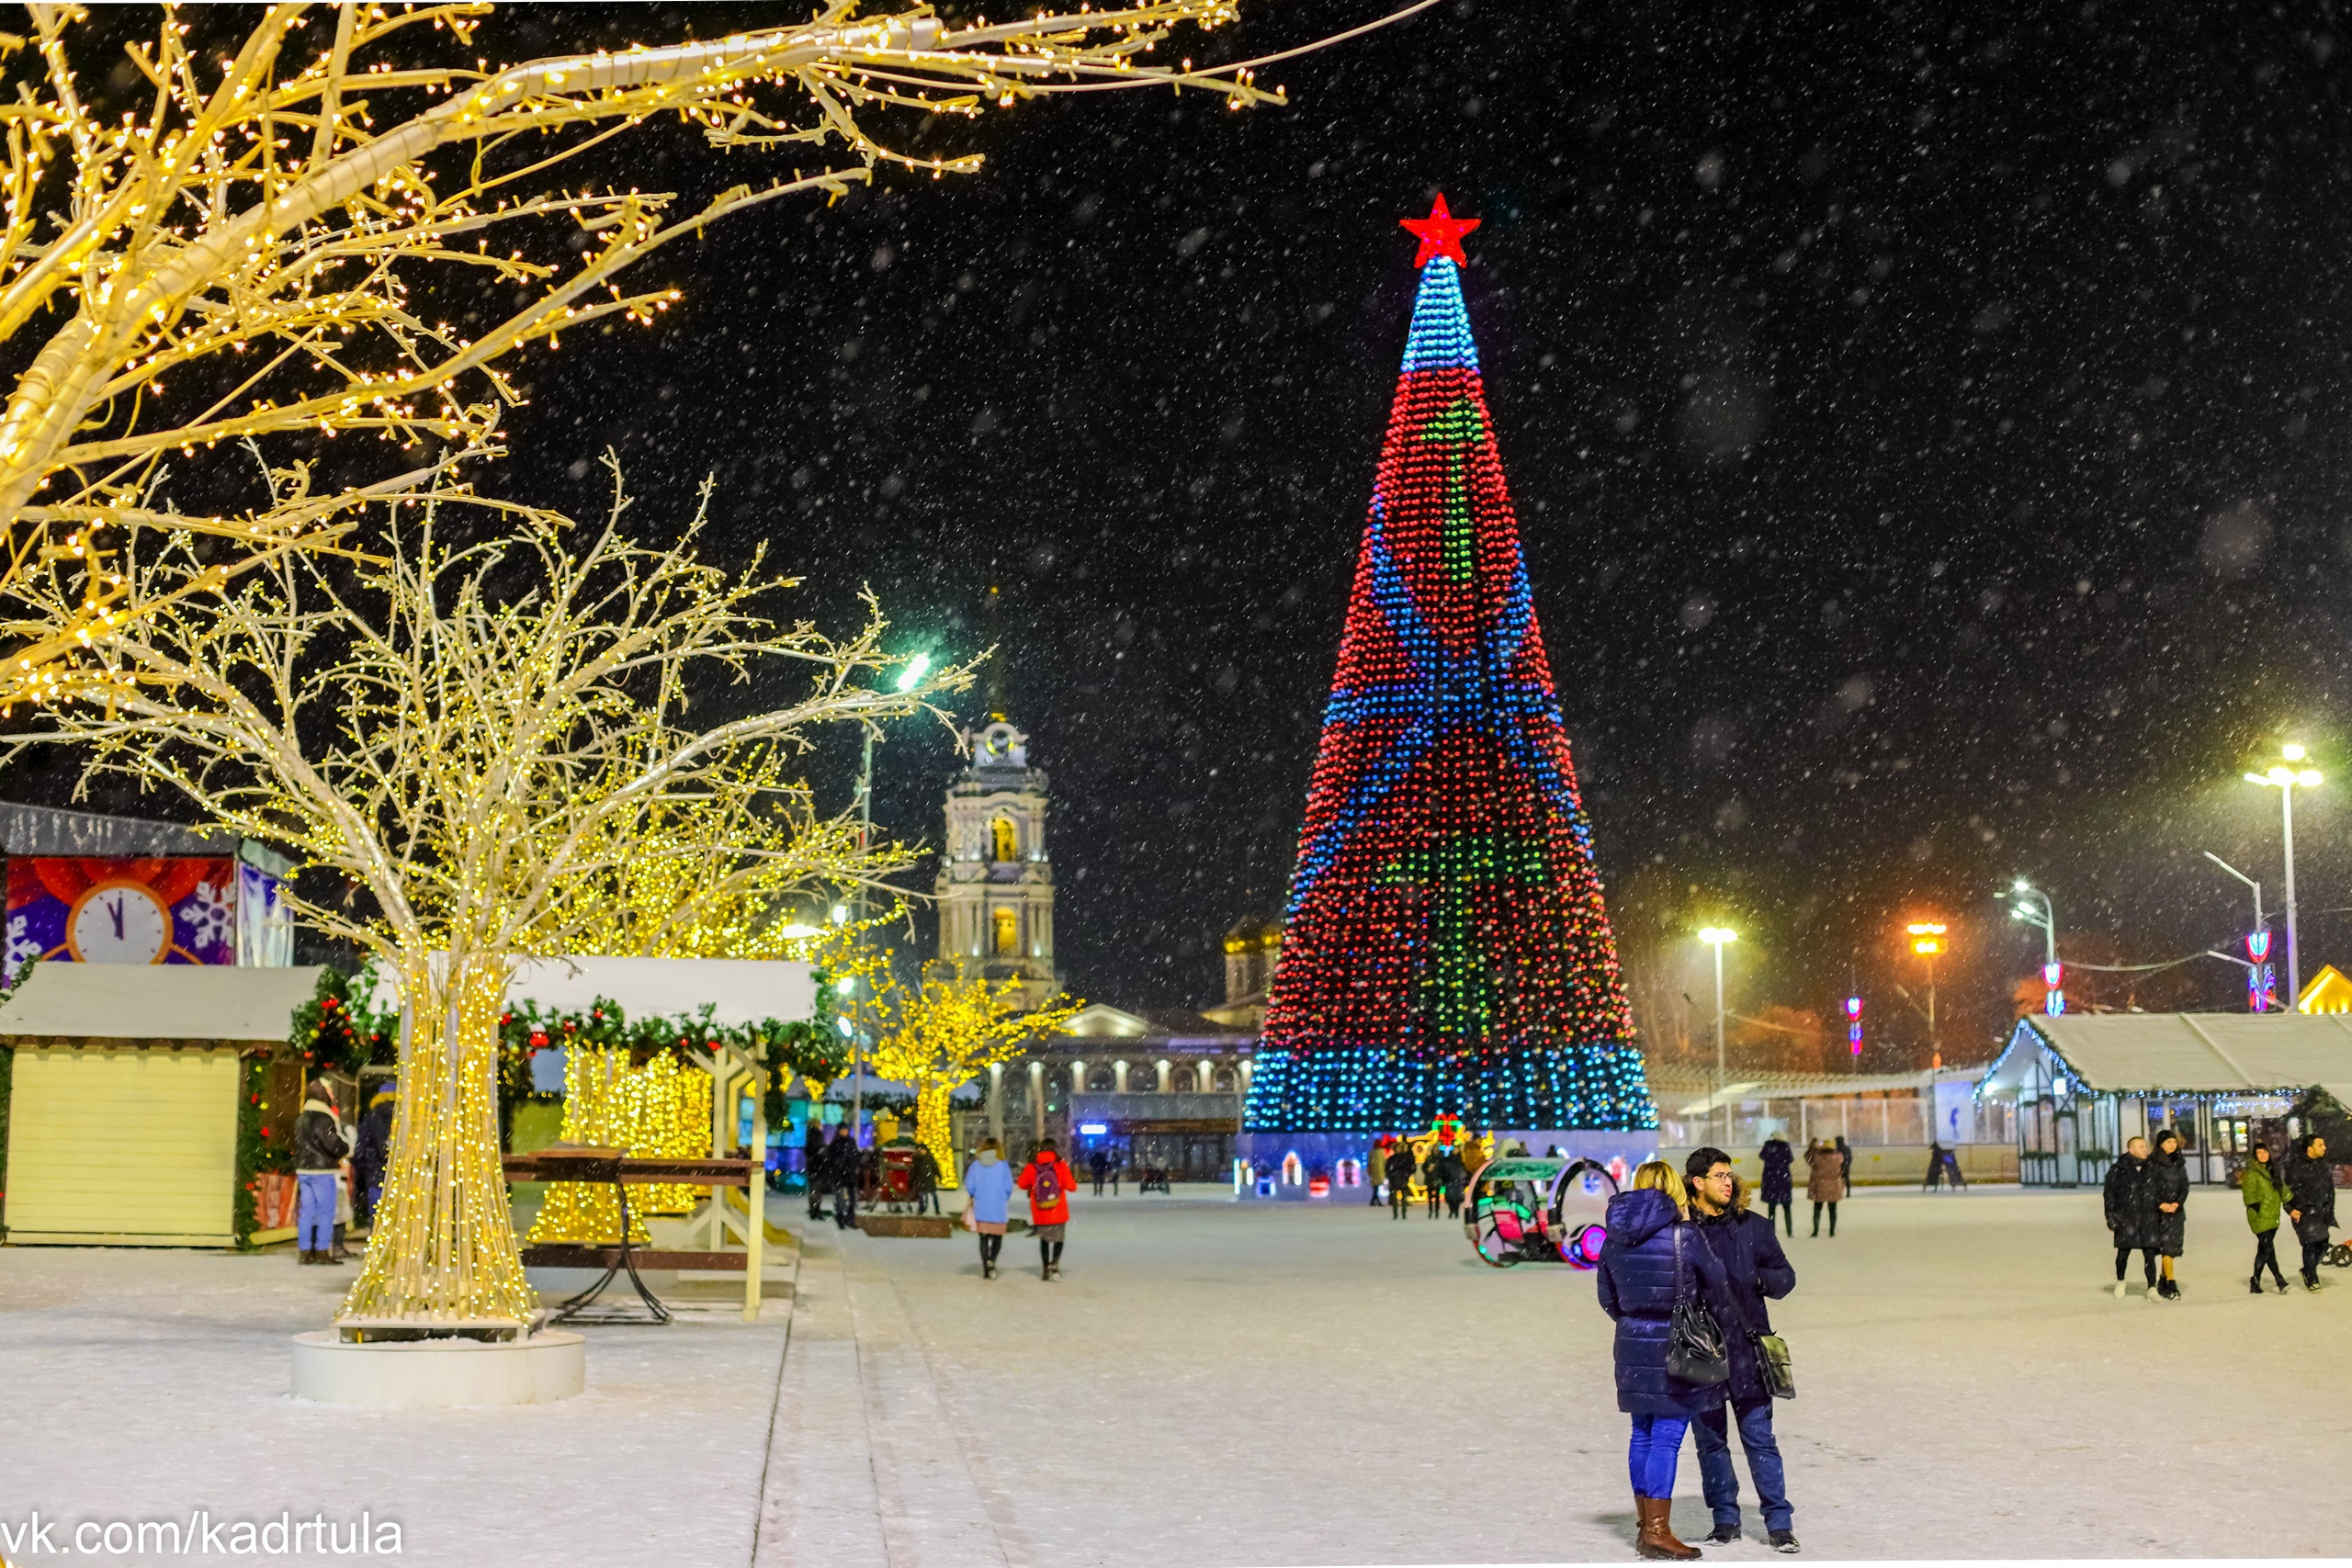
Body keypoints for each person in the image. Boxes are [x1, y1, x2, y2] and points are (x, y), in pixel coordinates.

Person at [1596, 1159, 1724, 1561]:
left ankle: (1645, 1523)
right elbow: (1717, 1281)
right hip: (1676, 1343)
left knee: (1642, 1434)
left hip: (1632, 1342)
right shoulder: (1684, 1236)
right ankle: (1656, 1530)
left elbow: (1608, 1297)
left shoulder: (1613, 1238)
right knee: (1667, 1438)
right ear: (1675, 1191)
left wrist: (1636, 1321)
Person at [1684, 1147, 1800, 1554]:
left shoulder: (1755, 1227)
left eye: (1729, 1174)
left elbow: (1786, 1278)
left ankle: (1779, 1523)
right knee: (1710, 1444)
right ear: (1697, 1183)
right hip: (1702, 1355)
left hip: (1748, 1353)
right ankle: (1725, 1521)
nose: (1727, 1181)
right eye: (1718, 1175)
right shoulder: (1682, 1233)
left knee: (1760, 1441)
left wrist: (1757, 1278)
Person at [293, 1079, 348, 1267]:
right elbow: (331, 1143)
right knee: (325, 1212)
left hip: (304, 1170)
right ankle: (323, 1250)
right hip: (321, 1171)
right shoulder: (323, 1118)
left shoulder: (301, 1118)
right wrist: (345, 1147)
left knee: (306, 1212)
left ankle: (305, 1251)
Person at [2102, 1134, 2158, 1298]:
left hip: (2148, 1217)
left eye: (2145, 1146)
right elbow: (2109, 1194)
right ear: (2131, 1149)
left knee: (2149, 1254)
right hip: (2126, 1217)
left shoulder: (2151, 1167)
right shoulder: (2118, 1169)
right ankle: (2120, 1281)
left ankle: (2152, 1287)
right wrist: (2111, 1216)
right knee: (2123, 1252)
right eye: (2141, 1147)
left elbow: (2158, 1190)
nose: (2145, 1149)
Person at [1018, 1137, 1079, 1280]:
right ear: (1055, 1149)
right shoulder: (1060, 1165)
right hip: (1058, 1209)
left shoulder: (1032, 1166)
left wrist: (1033, 1187)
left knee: (1044, 1240)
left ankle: (1045, 1268)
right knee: (1059, 1239)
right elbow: (1072, 1187)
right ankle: (1055, 1263)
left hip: (1040, 1210)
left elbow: (1021, 1183)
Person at [2287, 1133, 2336, 1291]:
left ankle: (2308, 1270)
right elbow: (2290, 1191)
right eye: (2320, 1145)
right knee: (2310, 1245)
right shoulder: (2297, 1166)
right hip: (2305, 1213)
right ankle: (2312, 1279)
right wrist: (2293, 1208)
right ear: (2310, 1148)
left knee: (2323, 1245)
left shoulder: (2324, 1165)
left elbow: (2330, 1189)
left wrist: (2329, 1208)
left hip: (2323, 1212)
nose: (2325, 1148)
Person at [2241, 1141, 2290, 1294]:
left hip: (2273, 1215)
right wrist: (2259, 1210)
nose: (2263, 1155)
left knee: (2263, 1250)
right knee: (2268, 1248)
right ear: (2254, 1156)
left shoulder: (2272, 1171)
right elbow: (2249, 1197)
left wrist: (2293, 1204)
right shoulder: (2251, 1173)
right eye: (2259, 1153)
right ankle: (2279, 1279)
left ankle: (2255, 1280)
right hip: (2259, 1216)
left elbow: (2284, 1190)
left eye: (2265, 1152)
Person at [962, 1136, 1015, 1278]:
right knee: (997, 1237)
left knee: (984, 1238)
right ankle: (992, 1261)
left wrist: (976, 1194)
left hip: (982, 1206)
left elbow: (970, 1185)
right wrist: (1003, 1197)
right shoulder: (1003, 1165)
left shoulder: (976, 1165)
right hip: (998, 1207)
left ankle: (986, 1266)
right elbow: (1008, 1186)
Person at [2147, 1126, 2189, 1300]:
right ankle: (2170, 1282)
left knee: (2171, 1249)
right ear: (2161, 1144)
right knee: (2166, 1247)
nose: (2172, 1145)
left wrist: (2177, 1203)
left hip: (2176, 1211)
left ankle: (2164, 1279)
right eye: (2168, 1142)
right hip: (2160, 1213)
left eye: (2174, 1142)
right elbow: (2149, 1188)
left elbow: (2184, 1185)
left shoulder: (2179, 1162)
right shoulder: (2153, 1163)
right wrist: (2161, 1204)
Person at [351, 1079, 395, 1231]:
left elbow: (360, 1149)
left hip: (375, 1175)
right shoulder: (403, 1117)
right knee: (394, 1214)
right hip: (397, 1175)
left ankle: (376, 1243)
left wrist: (363, 1171)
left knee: (376, 1213)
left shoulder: (371, 1117)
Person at [1804, 1139, 1842, 1237]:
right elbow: (1843, 1161)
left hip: (1819, 1187)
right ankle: (1832, 1231)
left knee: (1817, 1210)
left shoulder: (1816, 1157)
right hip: (1833, 1188)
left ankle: (1816, 1230)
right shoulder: (1838, 1157)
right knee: (1832, 1210)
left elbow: (1807, 1158)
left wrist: (1812, 1148)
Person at [1758, 1135, 1794, 1239]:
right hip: (1783, 1180)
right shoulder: (1785, 1147)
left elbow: (1761, 1156)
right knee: (1786, 1207)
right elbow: (1790, 1159)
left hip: (1770, 1180)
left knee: (1771, 1208)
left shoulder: (1768, 1147)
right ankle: (1789, 1231)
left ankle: (1771, 1231)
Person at [825, 1125, 861, 1230]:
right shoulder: (835, 1143)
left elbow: (855, 1156)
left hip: (850, 1173)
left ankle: (850, 1219)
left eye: (846, 1130)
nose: (844, 1132)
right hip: (839, 1174)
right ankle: (840, 1219)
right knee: (840, 1199)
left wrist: (855, 1164)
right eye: (843, 1130)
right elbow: (830, 1159)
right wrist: (837, 1165)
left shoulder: (851, 1142)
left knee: (852, 1199)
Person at [803, 1121, 830, 1221]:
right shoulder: (815, 1136)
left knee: (815, 1191)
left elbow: (809, 1151)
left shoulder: (812, 1135)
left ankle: (815, 1211)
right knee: (816, 1191)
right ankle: (815, 1211)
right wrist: (821, 1152)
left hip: (815, 1168)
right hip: (817, 1167)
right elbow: (812, 1151)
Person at [1385, 1140, 1418, 1221]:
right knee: (1395, 1199)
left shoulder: (1405, 1158)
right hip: (1395, 1179)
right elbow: (1387, 1169)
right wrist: (1390, 1176)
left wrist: (1407, 1174)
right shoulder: (1392, 1158)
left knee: (1403, 1198)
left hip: (1402, 1179)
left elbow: (1411, 1168)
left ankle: (1403, 1214)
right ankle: (1396, 1214)